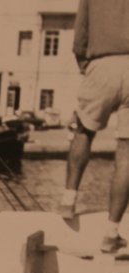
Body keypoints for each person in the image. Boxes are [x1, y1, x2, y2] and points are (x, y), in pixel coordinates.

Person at [59, 0, 129, 254]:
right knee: (126, 153)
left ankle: (69, 200)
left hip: (101, 62)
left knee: (84, 131)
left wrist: (87, 67)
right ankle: (111, 234)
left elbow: (80, 38)